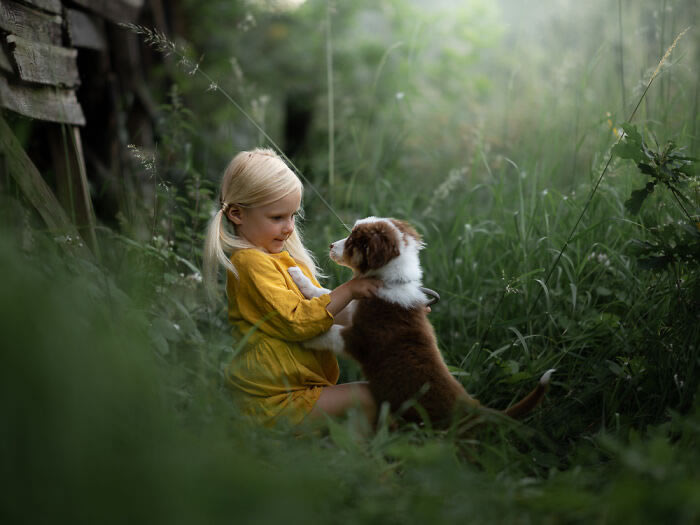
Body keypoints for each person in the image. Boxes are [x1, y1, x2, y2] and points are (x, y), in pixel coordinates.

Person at [203, 148, 381, 428]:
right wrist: (349, 289)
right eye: (277, 217)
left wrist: (392, 309)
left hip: (295, 390)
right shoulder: (250, 262)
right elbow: (300, 320)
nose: (288, 228)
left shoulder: (279, 260)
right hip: (271, 402)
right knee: (370, 397)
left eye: (293, 216)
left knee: (375, 395)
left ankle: (349, 461)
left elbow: (325, 312)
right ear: (237, 214)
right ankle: (367, 468)